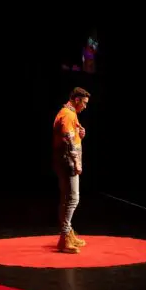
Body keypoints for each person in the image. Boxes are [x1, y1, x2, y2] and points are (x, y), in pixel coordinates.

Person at [53, 87, 90, 253]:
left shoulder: (69, 113)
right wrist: (77, 162)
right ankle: (64, 237)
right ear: (76, 100)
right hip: (67, 160)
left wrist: (80, 134)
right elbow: (68, 141)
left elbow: (71, 135)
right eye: (84, 102)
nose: (85, 106)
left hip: (64, 159)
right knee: (73, 198)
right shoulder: (68, 114)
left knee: (67, 198)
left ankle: (68, 232)